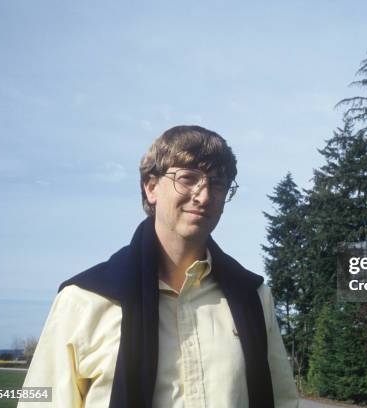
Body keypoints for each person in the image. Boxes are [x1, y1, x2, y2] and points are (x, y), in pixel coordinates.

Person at [20, 125, 299, 408]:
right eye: (188, 178)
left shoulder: (253, 298)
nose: (203, 196)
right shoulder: (83, 300)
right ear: (151, 187)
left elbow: (283, 403)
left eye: (217, 184)